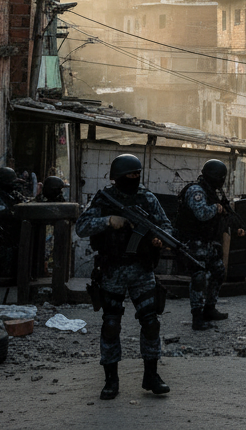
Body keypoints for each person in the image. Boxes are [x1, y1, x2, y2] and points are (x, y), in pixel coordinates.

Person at [75, 153, 172, 400]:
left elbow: (166, 226)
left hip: (142, 269)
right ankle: (111, 380)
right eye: (129, 175)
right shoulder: (104, 199)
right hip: (112, 270)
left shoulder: (147, 198)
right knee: (110, 325)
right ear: (117, 177)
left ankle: (151, 376)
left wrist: (160, 239)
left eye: (137, 175)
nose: (134, 179)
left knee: (151, 323)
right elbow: (82, 226)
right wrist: (108, 220)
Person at [175, 160, 231, 330]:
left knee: (218, 270)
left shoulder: (211, 191)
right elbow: (202, 214)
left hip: (205, 242)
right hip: (190, 242)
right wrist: (216, 208)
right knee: (199, 276)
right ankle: (197, 317)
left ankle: (209, 308)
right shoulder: (196, 191)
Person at [0, 167, 25, 280]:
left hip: (11, 238)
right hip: (1, 241)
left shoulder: (11, 195)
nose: (14, 185)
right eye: (12, 183)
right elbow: (8, 216)